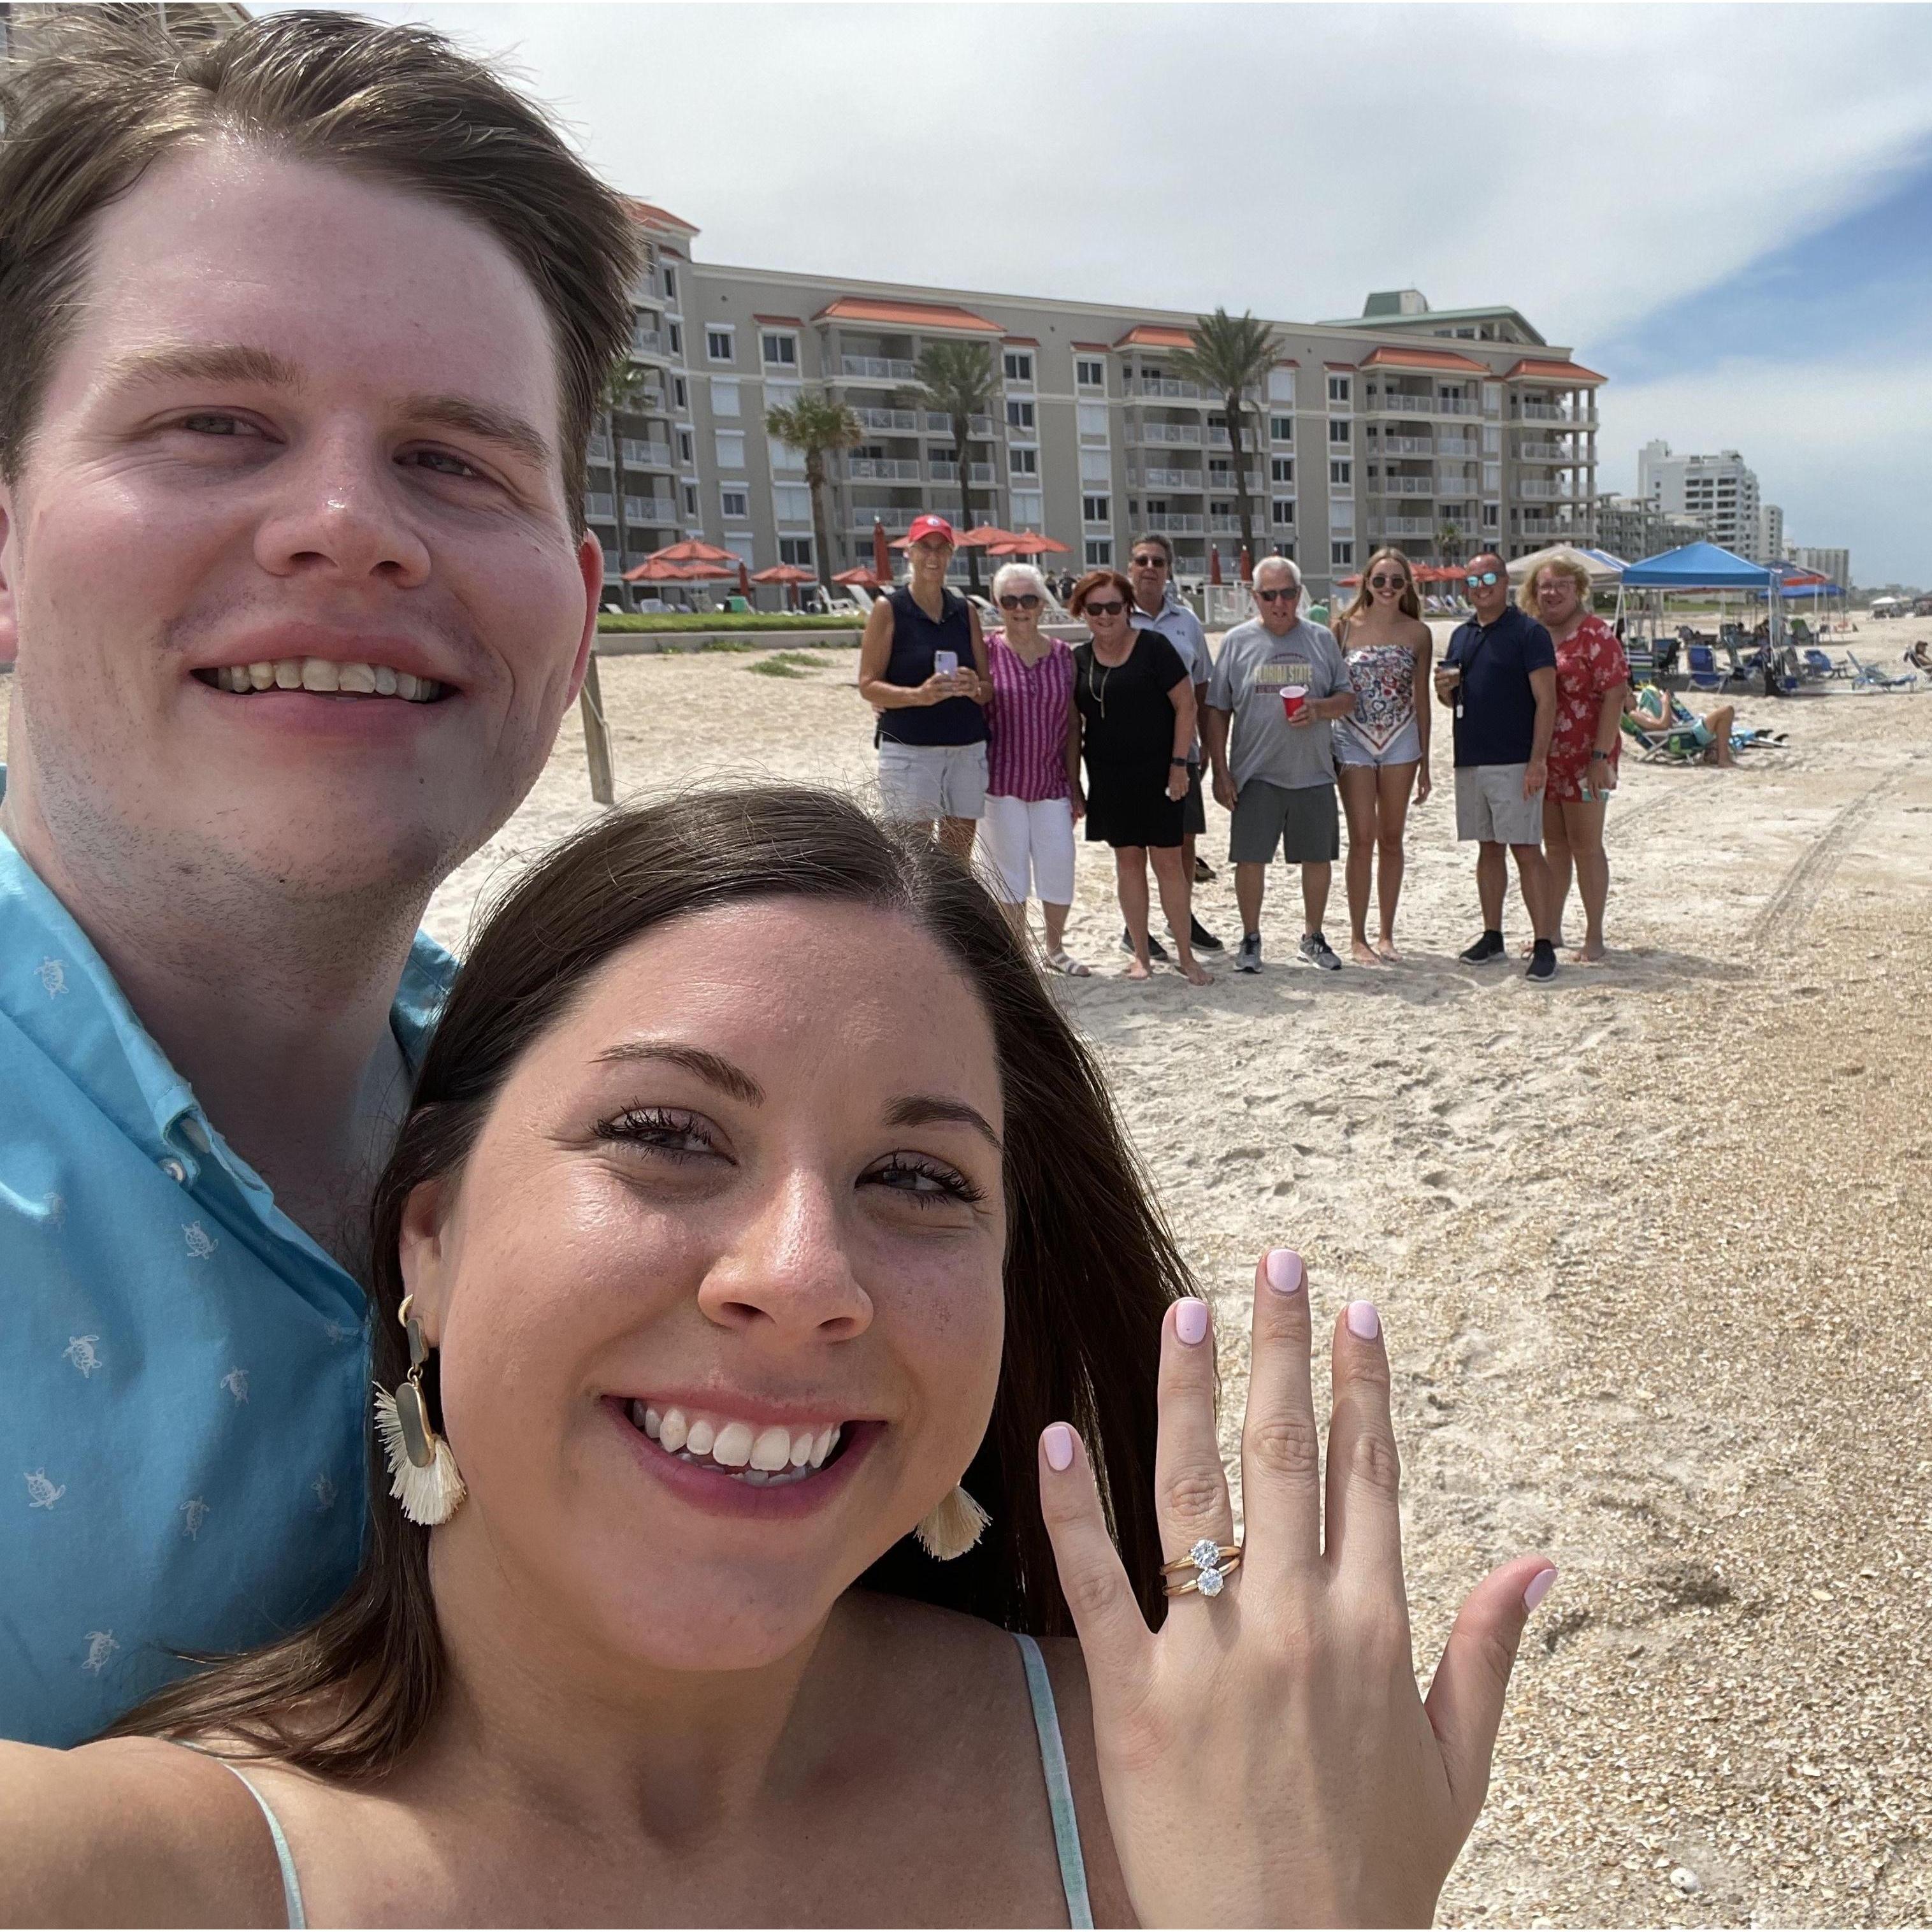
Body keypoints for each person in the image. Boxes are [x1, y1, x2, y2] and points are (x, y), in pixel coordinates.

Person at [0, 787, 1556, 1926]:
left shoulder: (1208, 1780)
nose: (805, 1279)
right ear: (427, 1242)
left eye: (920, 1180)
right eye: (667, 1136)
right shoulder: (131, 1875)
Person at [0, 8, 637, 1745]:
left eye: (455, 458)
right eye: (214, 422)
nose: (347, 522)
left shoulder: (608, 1135)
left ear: (574, 610)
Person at [1203, 557, 1355, 974]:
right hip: (1255, 773)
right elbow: (1217, 708)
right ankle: (1251, 937)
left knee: (1317, 859)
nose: (1279, 602)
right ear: (1256, 598)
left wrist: (1319, 709)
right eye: (1269, 595)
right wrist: (1220, 769)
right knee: (1250, 859)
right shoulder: (1236, 641)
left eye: (1288, 593)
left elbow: (1347, 698)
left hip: (1314, 770)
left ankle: (1313, 936)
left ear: (1298, 595)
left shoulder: (1322, 639)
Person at [1067, 569, 1211, 984]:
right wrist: (1074, 781)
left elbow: (1187, 706)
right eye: (1095, 608)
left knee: (1169, 863)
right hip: (1109, 778)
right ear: (1083, 611)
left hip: (1162, 774)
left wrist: (1179, 765)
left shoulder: (1154, 647)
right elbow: (1072, 727)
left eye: (1114, 606)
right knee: (1128, 864)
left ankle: (1186, 956)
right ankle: (1142, 956)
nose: (1106, 615)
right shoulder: (1077, 659)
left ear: (1128, 609)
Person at [1436, 552, 1561, 982]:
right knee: (1487, 849)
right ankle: (1493, 935)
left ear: (1506, 581)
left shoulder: (1529, 633)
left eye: (1489, 577)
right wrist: (1444, 691)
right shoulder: (1460, 636)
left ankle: (1544, 942)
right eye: (1472, 579)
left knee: (1526, 849)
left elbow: (1547, 701)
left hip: (1515, 759)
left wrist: (1538, 761)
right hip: (1471, 758)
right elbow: (1452, 699)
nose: (1481, 585)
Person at [858, 514, 990, 862]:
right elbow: (868, 685)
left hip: (965, 747)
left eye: (941, 548)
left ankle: (951, 920)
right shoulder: (889, 609)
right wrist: (919, 696)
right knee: (911, 858)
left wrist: (974, 686)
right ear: (910, 553)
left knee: (958, 859)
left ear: (951, 554)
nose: (933, 557)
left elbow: (988, 689)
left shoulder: (966, 611)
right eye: (925, 548)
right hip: (910, 748)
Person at [977, 561, 1085, 974]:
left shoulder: (1063, 656)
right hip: (999, 781)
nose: (1020, 607)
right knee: (1008, 873)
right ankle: (1017, 952)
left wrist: (1075, 784)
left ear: (1042, 604)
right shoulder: (985, 652)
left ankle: (1055, 950)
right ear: (997, 604)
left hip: (1052, 782)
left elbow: (1074, 722)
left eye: (1028, 599)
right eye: (1010, 600)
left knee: (1059, 863)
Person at [1331, 547, 1433, 964]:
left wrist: (1427, 759)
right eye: (1379, 580)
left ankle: (1386, 933)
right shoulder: (1341, 628)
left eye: (1396, 581)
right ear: (1366, 583)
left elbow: (1422, 697)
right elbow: (1330, 687)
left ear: (1406, 585)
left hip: (1401, 739)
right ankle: (1358, 937)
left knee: (1392, 839)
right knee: (1361, 839)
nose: (1387, 588)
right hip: (1352, 738)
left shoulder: (1419, 633)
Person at [1526, 552, 1628, 964]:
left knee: (1587, 846)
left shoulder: (1595, 634)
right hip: (1545, 758)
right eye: (1545, 586)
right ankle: (1550, 932)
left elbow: (1616, 694)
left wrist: (1601, 756)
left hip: (1589, 757)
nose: (1551, 593)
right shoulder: (1534, 634)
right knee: (1555, 846)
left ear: (1579, 591)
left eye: (1561, 586)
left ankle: (1594, 936)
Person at [1127, 533, 1223, 953]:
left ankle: (1179, 917)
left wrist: (1207, 750)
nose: (1150, 568)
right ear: (1131, 567)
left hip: (1184, 752)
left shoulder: (1187, 622)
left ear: (1169, 570)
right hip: (1130, 754)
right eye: (1142, 560)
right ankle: (1135, 927)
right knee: (1135, 846)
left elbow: (1203, 687)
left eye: (1158, 562)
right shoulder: (1115, 616)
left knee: (1183, 840)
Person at [1627, 684, 1737, 765]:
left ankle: (1719, 756)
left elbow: (1664, 726)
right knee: (1727, 711)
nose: (1635, 697)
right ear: (1624, 702)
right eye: (1631, 695)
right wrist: (1665, 703)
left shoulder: (1639, 713)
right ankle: (1723, 759)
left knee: (1723, 720)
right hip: (1687, 737)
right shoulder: (1633, 714)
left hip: (1683, 733)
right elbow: (1664, 725)